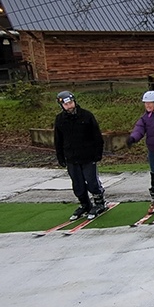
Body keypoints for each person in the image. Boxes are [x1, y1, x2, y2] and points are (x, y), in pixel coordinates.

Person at [53, 91, 107, 220]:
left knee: (92, 181)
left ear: (75, 102)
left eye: (71, 103)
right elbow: (58, 140)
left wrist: (97, 153)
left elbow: (97, 136)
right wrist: (60, 157)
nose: (69, 106)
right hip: (71, 157)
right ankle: (85, 204)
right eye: (66, 105)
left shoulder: (86, 116)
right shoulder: (60, 119)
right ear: (62, 106)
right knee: (77, 184)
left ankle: (100, 203)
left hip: (88, 156)